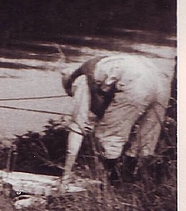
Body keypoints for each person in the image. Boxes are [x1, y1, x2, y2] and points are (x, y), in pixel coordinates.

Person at [60, 55, 171, 183]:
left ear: (70, 84)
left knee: (109, 136)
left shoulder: (80, 80)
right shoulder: (103, 65)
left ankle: (109, 181)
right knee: (146, 137)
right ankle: (131, 180)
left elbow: (77, 127)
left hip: (135, 81)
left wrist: (66, 172)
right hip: (160, 79)